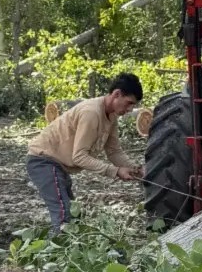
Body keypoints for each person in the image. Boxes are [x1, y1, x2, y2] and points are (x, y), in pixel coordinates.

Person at [26, 72, 145, 234]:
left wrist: (136, 169)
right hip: (43, 161)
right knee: (64, 217)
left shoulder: (111, 116)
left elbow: (114, 151)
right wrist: (115, 171)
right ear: (117, 94)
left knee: (74, 218)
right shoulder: (92, 113)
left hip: (59, 165)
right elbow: (79, 156)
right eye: (129, 103)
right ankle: (54, 254)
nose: (130, 109)